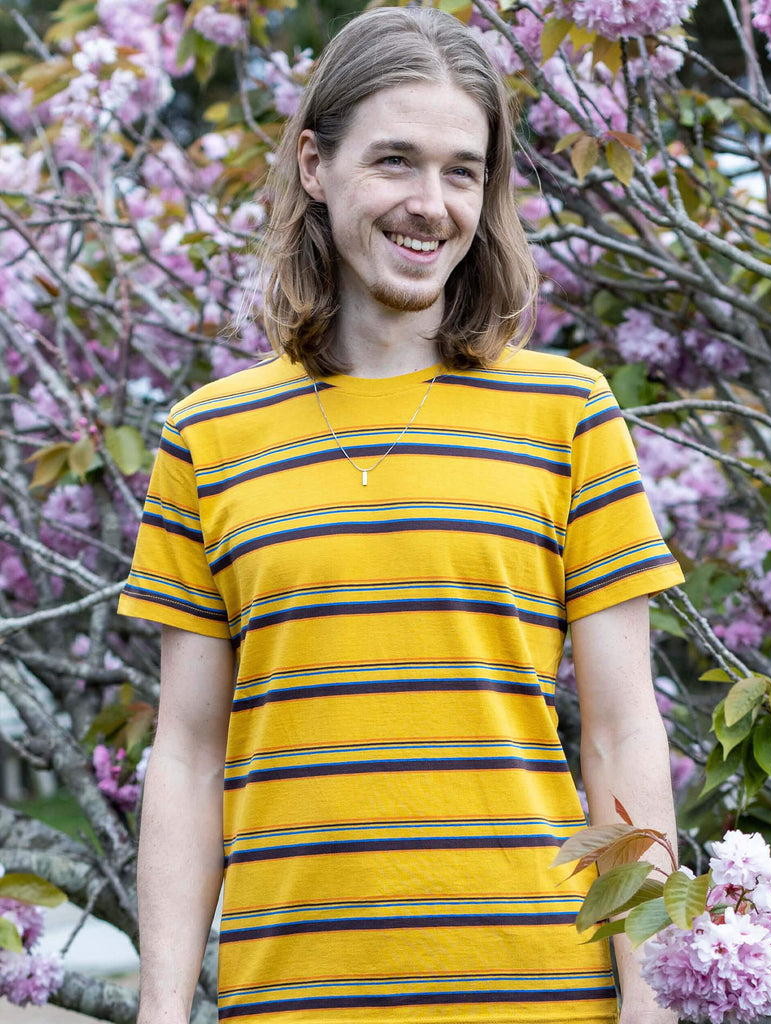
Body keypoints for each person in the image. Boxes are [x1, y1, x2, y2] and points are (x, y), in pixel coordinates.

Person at [119, 7, 683, 1024]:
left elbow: (621, 730)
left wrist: (649, 993)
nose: (431, 204)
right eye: (395, 161)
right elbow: (191, 754)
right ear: (313, 164)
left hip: (543, 992)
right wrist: (164, 1009)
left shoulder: (567, 412)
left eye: (462, 171)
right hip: (294, 1002)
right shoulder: (209, 435)